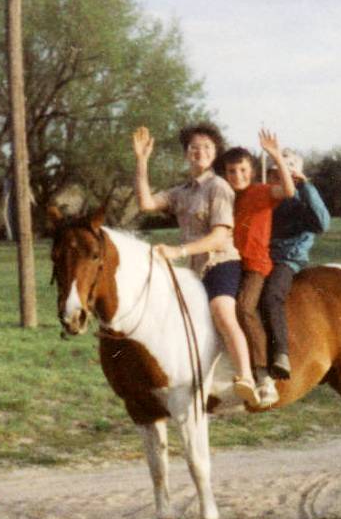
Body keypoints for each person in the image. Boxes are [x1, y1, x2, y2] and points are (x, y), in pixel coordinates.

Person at [132, 123, 259, 406]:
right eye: (193, 148)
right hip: (192, 270)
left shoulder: (220, 187)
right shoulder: (182, 192)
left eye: (206, 147)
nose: (199, 152)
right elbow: (146, 203)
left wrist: (179, 250)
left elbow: (219, 237)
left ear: (215, 154)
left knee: (222, 311)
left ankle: (247, 377)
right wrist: (141, 161)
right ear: (187, 154)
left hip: (221, 263)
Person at [220, 130, 295, 406]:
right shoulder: (227, 196)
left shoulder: (260, 193)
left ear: (251, 171)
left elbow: (288, 190)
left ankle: (264, 374)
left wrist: (275, 155)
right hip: (232, 264)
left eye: (242, 170)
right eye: (231, 171)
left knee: (244, 307)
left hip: (256, 266)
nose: (237, 175)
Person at [261, 149, 330, 379]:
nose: (277, 179)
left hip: (287, 258)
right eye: (273, 175)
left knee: (272, 295)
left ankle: (281, 353)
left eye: (282, 175)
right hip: (263, 256)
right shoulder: (267, 197)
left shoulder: (303, 198)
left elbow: (322, 224)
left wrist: (307, 187)